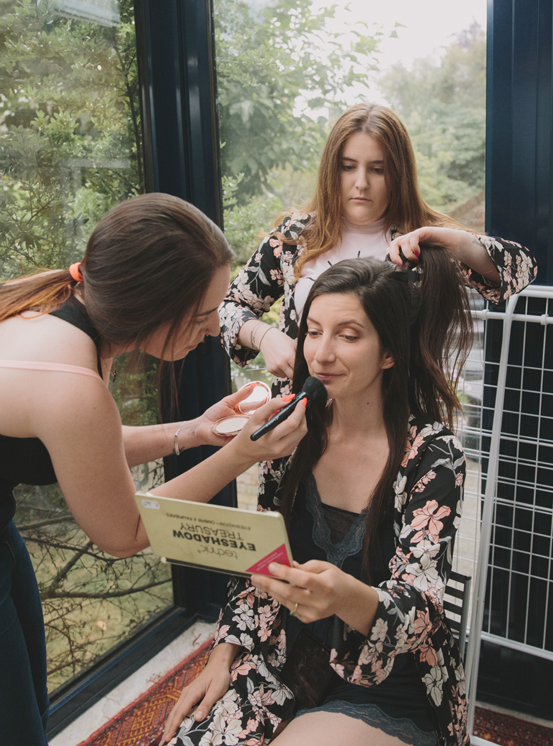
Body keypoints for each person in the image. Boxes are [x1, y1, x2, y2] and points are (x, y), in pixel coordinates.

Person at [0, 193, 308, 745]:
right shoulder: (69, 377)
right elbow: (126, 533)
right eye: (201, 315)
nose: (216, 328)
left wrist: (192, 432)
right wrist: (241, 454)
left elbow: (86, 444)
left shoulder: (72, 316)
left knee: (21, 725)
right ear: (150, 306)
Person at [163, 248, 479, 746]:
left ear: (390, 351)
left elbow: (422, 605)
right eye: (312, 332)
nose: (321, 354)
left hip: (390, 679)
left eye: (348, 336)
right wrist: (222, 655)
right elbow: (260, 561)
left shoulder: (432, 457)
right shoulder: (288, 431)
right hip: (284, 658)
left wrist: (346, 597)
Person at [219, 102, 536, 387]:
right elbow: (227, 307)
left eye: (377, 169)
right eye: (348, 166)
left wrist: (447, 239)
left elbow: (520, 268)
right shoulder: (295, 237)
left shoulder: (421, 242)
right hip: (301, 416)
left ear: (398, 174)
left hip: (393, 422)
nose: (361, 183)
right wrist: (265, 336)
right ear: (332, 169)